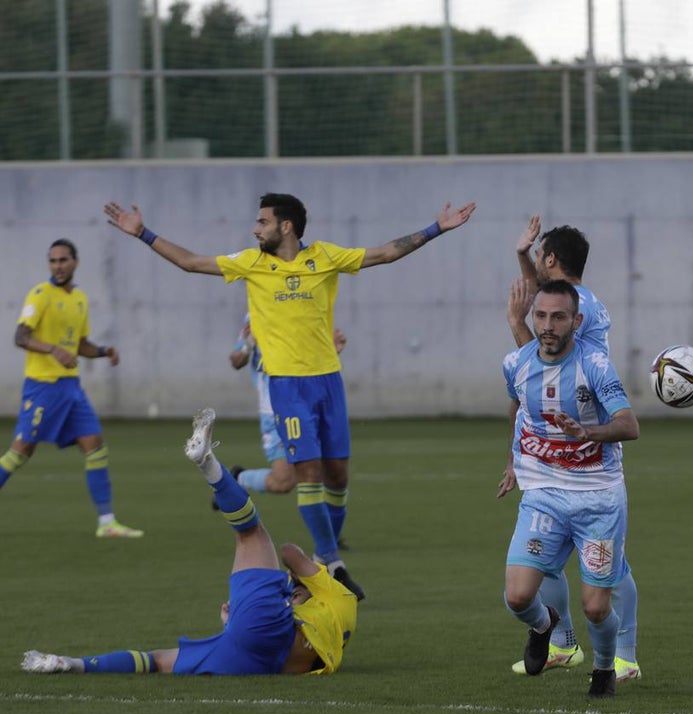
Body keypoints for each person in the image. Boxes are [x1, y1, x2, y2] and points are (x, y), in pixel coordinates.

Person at [104, 193, 477, 601]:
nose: (254, 228)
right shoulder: (251, 263)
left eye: (262, 221)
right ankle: (333, 565)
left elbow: (385, 253)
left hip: (328, 382)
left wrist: (437, 228)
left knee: (338, 476)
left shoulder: (325, 257)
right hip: (287, 387)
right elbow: (191, 262)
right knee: (308, 475)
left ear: (286, 226)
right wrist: (142, 233)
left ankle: (322, 559)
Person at [22, 408, 358, 675]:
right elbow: (282, 641)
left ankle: (207, 462)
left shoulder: (341, 597)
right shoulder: (334, 628)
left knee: (252, 533)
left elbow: (290, 553)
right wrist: (239, 619)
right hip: (252, 659)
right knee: (157, 661)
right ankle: (69, 664)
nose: (296, 594)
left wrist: (298, 579)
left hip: (270, 635)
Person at [504, 216, 642, 683]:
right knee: (542, 562)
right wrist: (523, 257)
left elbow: (550, 364)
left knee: (608, 572)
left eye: (539, 259)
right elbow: (537, 355)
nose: (544, 319)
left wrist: (515, 322)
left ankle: (622, 655)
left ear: (552, 261)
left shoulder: (584, 314)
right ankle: (562, 644)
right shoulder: (568, 302)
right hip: (547, 454)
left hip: (586, 453)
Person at [0, 239, 143, 538]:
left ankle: (107, 523)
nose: (58, 266)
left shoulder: (79, 298)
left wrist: (104, 351)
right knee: (20, 452)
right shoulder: (40, 295)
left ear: (75, 262)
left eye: (63, 260)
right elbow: (20, 336)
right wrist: (53, 350)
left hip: (71, 389)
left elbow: (79, 345)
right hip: (42, 388)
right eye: (52, 261)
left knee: (95, 447)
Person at [221, 317, 351, 551]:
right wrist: (249, 342)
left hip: (310, 403)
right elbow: (236, 360)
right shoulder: (258, 314)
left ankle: (330, 539)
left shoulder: (304, 307)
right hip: (274, 410)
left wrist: (331, 351)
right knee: (284, 482)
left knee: (330, 472)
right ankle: (238, 478)